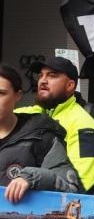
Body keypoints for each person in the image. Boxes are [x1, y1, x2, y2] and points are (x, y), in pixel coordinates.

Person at [15, 57, 94, 192]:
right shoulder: (25, 114)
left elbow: (81, 184)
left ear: (70, 85)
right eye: (41, 76)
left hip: (46, 207)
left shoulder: (85, 125)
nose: (43, 81)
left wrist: (34, 180)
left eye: (52, 76)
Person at [0, 64, 80, 203]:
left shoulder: (41, 135)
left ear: (17, 95)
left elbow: (70, 187)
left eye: (0, 93)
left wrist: (32, 177)